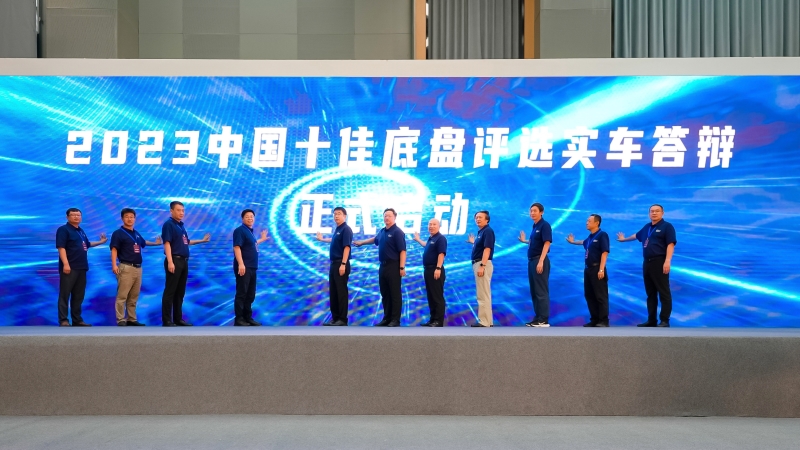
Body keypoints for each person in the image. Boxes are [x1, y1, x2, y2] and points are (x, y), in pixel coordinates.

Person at [617, 204, 677, 327]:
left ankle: (664, 320)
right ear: (649, 213)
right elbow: (636, 235)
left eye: (657, 211)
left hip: (660, 261)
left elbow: (670, 244)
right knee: (650, 293)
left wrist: (667, 261)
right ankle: (651, 320)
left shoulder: (667, 226)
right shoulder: (647, 227)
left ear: (662, 213)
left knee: (663, 292)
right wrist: (624, 239)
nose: (654, 213)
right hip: (647, 262)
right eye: (652, 211)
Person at [160, 201, 210, 327]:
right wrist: (170, 261)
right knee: (170, 291)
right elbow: (167, 243)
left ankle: (178, 319)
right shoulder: (169, 224)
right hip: (174, 260)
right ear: (171, 211)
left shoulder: (181, 226)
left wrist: (202, 240)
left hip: (183, 261)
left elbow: (186, 242)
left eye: (183, 210)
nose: (181, 213)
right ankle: (167, 320)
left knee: (180, 292)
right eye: (178, 210)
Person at [109, 208, 162, 326]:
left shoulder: (136, 233)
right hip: (126, 267)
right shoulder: (118, 233)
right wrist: (114, 265)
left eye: (132, 217)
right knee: (122, 295)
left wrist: (156, 243)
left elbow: (143, 242)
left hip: (138, 268)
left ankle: (132, 319)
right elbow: (114, 249)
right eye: (127, 216)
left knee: (134, 296)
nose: (130, 219)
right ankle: (121, 319)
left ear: (135, 218)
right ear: (122, 218)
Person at [354, 208, 406, 327]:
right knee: (385, 293)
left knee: (394, 293)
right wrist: (362, 242)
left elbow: (402, 251)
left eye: (389, 216)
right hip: (383, 266)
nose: (386, 218)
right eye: (385, 216)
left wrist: (402, 267)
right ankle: (387, 318)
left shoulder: (398, 232)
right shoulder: (382, 231)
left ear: (394, 217)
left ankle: (395, 320)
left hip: (394, 266)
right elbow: (375, 239)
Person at [55, 208, 107, 327]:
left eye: (78, 215)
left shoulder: (80, 231)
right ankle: (63, 320)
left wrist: (101, 242)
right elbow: (61, 247)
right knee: (65, 294)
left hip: (81, 267)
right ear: (67, 217)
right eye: (73, 215)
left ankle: (77, 320)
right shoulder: (63, 229)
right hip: (69, 267)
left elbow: (87, 245)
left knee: (78, 295)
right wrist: (66, 264)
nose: (76, 217)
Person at [567, 214, 610, 327]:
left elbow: (605, 252)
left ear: (597, 223)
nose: (587, 223)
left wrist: (601, 269)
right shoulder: (590, 237)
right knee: (589, 295)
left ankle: (603, 320)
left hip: (597, 268)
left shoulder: (602, 235)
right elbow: (583, 242)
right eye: (587, 220)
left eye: (589, 221)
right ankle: (595, 319)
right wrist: (572, 242)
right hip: (588, 269)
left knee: (600, 295)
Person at [316, 207, 353, 326]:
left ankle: (342, 319)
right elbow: (333, 240)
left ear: (344, 216)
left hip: (341, 264)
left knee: (341, 292)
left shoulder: (346, 229)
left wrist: (343, 264)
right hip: (334, 264)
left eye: (339, 214)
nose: (336, 216)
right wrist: (322, 239)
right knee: (334, 292)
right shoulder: (338, 229)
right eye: (335, 214)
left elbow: (347, 247)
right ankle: (335, 318)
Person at [232, 209, 270, 326]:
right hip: (244, 267)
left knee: (250, 294)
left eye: (252, 216)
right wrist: (241, 264)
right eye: (247, 216)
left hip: (252, 267)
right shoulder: (240, 230)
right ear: (242, 218)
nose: (250, 218)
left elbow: (252, 245)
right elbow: (237, 247)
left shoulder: (249, 232)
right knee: (242, 293)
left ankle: (247, 317)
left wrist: (261, 239)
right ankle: (239, 319)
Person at [518, 202, 553, 327]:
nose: (532, 213)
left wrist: (541, 261)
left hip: (539, 260)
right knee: (534, 290)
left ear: (541, 212)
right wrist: (524, 241)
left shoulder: (545, 225)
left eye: (535, 211)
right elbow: (535, 242)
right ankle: (538, 317)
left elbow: (547, 243)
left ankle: (543, 319)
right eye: (531, 211)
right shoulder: (535, 226)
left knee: (541, 290)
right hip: (532, 260)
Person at [412, 218, 448, 327]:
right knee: (431, 295)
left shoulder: (440, 238)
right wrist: (418, 240)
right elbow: (426, 245)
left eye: (434, 224)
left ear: (439, 226)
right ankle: (432, 319)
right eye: (430, 224)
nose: (431, 226)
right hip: (428, 270)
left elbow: (441, 254)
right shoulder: (431, 238)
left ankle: (438, 321)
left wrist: (438, 268)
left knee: (437, 296)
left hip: (435, 270)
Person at [467, 210, 495, 327]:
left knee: (483, 294)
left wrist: (482, 266)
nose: (477, 219)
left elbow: (487, 249)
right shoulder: (481, 232)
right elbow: (480, 246)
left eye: (480, 217)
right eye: (476, 217)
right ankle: (488, 321)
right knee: (483, 293)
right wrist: (473, 242)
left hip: (482, 264)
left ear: (487, 220)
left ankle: (484, 321)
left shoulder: (488, 231)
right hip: (478, 264)